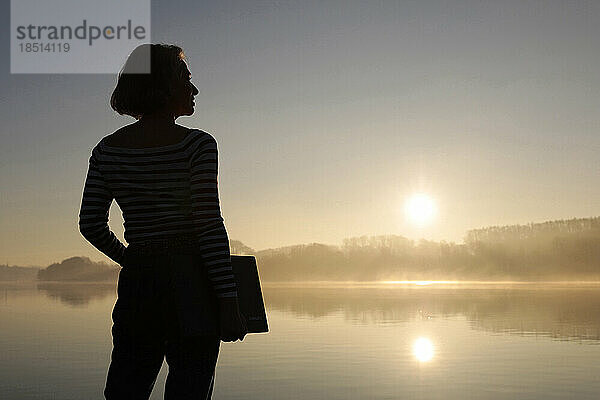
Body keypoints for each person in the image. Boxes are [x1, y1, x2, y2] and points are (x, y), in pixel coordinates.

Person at [78, 43, 247, 400]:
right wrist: (229, 300)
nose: (194, 89)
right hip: (194, 283)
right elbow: (208, 225)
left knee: (127, 388)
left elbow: (90, 224)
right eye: (186, 78)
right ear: (162, 86)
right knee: (190, 389)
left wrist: (136, 259)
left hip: (140, 283)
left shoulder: (106, 150)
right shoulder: (197, 145)